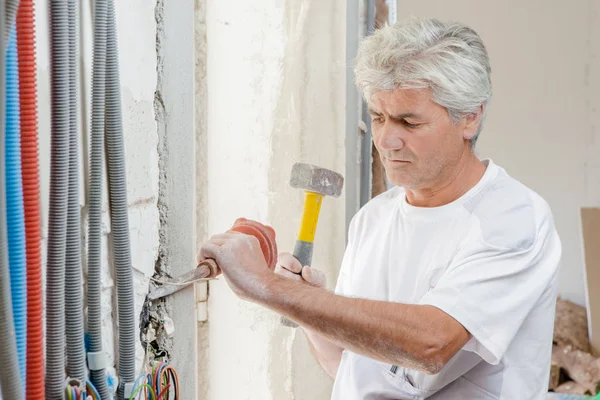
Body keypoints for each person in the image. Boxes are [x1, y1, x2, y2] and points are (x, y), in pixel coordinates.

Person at [200, 16, 561, 400]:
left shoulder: (513, 218)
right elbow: (351, 371)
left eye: (409, 121)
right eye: (377, 116)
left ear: (469, 117)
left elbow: (431, 344)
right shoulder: (374, 218)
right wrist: (309, 310)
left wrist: (268, 287)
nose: (386, 139)